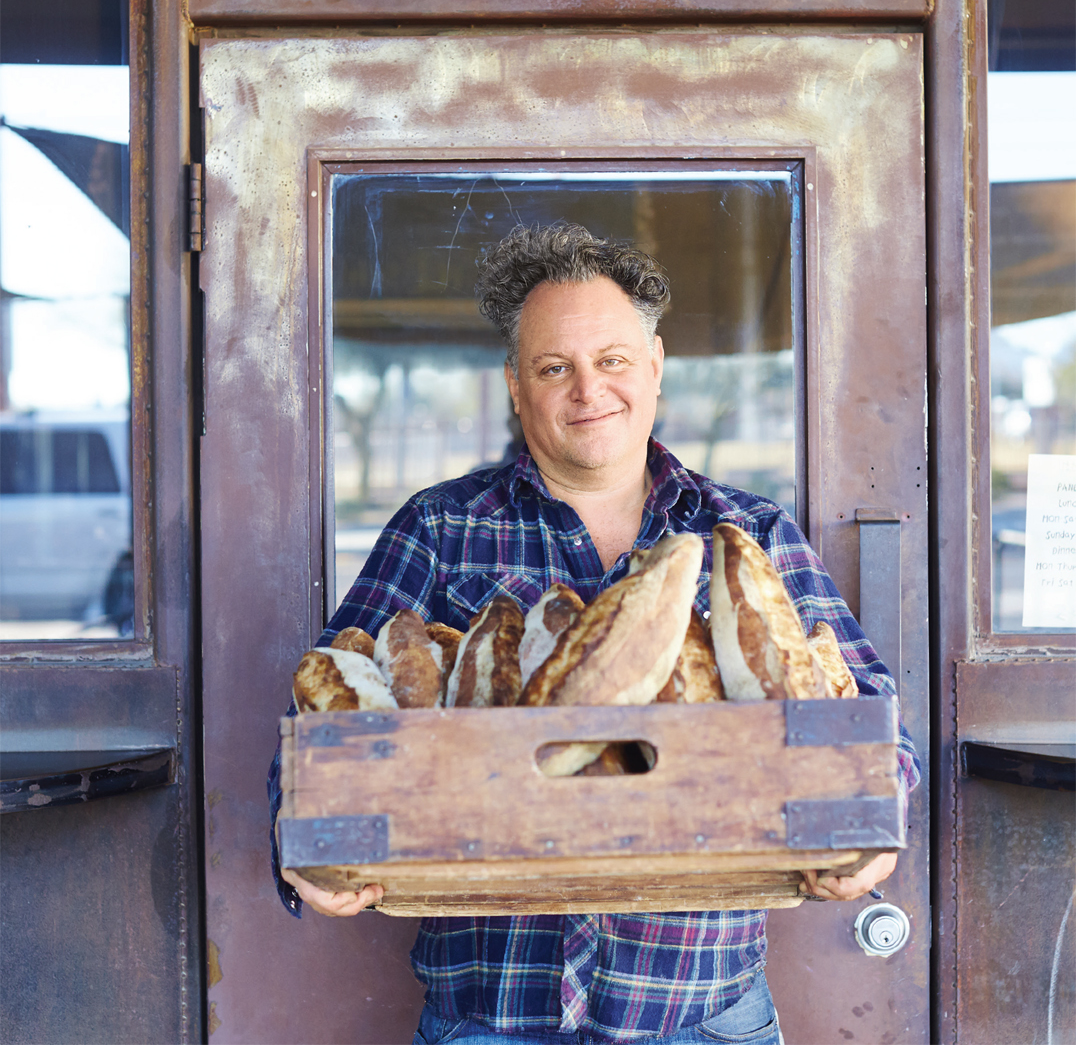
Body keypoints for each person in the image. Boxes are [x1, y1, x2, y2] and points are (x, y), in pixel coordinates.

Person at [269, 223, 920, 1045]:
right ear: (516, 386)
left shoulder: (744, 535)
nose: (589, 390)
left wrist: (871, 832)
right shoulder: (440, 528)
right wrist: (306, 846)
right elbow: (322, 713)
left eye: (612, 360)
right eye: (554, 368)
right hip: (491, 1018)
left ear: (655, 366)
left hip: (698, 1015)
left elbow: (873, 720)